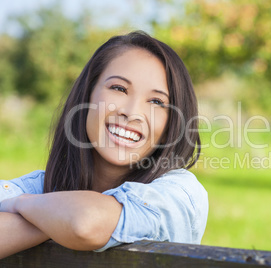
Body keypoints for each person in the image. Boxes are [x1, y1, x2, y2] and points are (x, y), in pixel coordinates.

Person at [0, 31, 208, 259]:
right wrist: (56, 218)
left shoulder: (179, 193)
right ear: (87, 95)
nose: (131, 112)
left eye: (156, 102)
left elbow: (85, 223)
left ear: (172, 123)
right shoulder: (40, 186)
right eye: (119, 89)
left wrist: (22, 205)